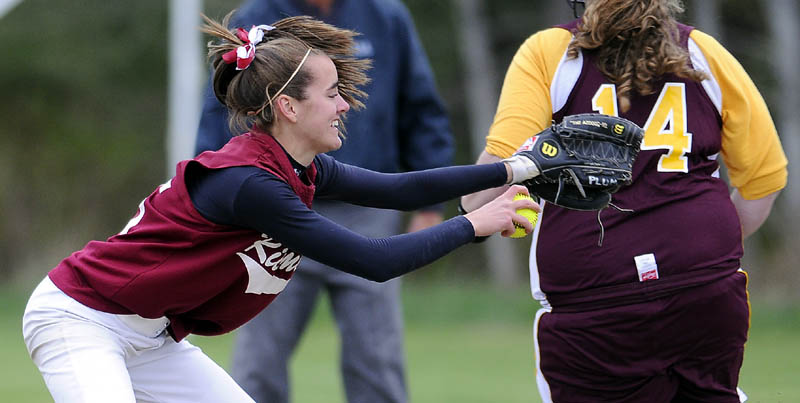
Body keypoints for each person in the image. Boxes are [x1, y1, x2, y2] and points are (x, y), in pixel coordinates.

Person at [21, 14, 544, 403]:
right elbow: (373, 260)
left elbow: (404, 189)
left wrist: (521, 168)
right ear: (288, 106)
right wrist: (473, 223)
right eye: (334, 93)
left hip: (151, 335)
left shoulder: (299, 166)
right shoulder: (251, 183)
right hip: (81, 318)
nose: (344, 105)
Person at [461, 0, 788, 402]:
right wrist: (697, 250)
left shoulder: (552, 52)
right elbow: (764, 179)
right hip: (706, 293)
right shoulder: (703, 51)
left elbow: (505, 165)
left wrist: (469, 209)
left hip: (596, 297)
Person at [194, 1, 453, 402]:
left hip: (366, 210)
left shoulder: (385, 16)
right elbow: (217, 116)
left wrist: (431, 206)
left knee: (376, 360)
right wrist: (219, 210)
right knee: (259, 361)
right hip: (273, 212)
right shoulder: (256, 18)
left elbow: (420, 107)